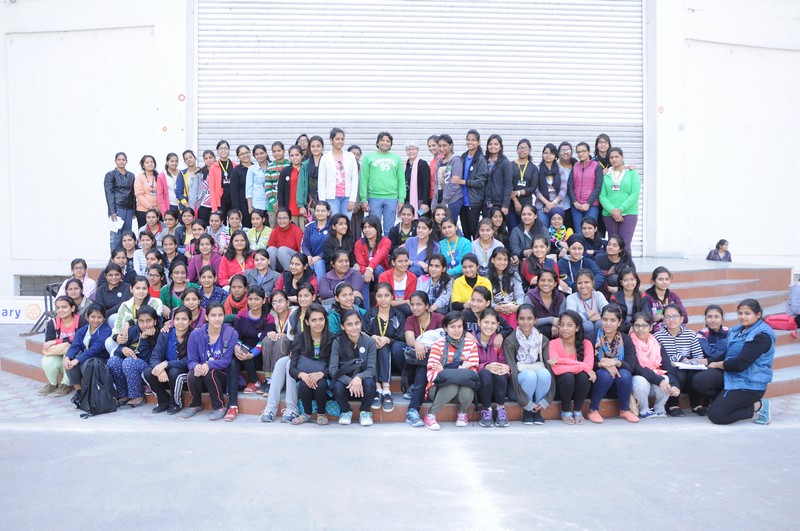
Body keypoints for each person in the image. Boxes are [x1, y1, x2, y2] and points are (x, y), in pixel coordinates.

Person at [705, 299, 774, 425]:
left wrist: (717, 364)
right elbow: (728, 354)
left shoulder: (761, 336)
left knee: (717, 416)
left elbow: (740, 364)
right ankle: (724, 402)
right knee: (701, 380)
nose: (743, 317)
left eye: (747, 313)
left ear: (758, 314)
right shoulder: (739, 330)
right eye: (740, 313)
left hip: (749, 384)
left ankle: (759, 405)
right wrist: (706, 361)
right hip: (734, 377)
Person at [224, 286, 275, 421]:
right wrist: (236, 346)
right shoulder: (241, 315)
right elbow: (237, 336)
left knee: (243, 352)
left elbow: (263, 341)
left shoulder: (269, 318)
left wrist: (250, 354)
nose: (253, 302)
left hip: (257, 356)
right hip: (242, 352)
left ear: (263, 301)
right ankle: (233, 406)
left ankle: (253, 380)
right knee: (233, 362)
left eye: (257, 299)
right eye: (250, 299)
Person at [180, 303, 236, 420]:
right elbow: (191, 361)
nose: (217, 319)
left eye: (220, 315)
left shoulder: (231, 333)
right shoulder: (196, 334)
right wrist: (196, 366)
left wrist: (208, 364)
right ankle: (195, 404)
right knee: (192, 374)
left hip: (221, 377)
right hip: (202, 377)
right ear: (206, 317)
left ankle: (220, 407)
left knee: (210, 372)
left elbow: (226, 361)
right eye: (213, 315)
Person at [424, 311, 480, 430]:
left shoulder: (471, 345)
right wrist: (461, 368)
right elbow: (431, 375)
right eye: (452, 327)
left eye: (459, 326)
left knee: (467, 390)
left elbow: (473, 373)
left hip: (462, 389)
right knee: (452, 386)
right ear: (445, 328)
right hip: (439, 389)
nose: (456, 330)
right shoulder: (438, 345)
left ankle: (463, 413)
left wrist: (444, 370)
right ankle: (431, 414)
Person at [587, 305, 641, 423]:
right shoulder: (591, 338)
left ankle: (624, 410)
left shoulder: (625, 339)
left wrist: (615, 362)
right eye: (605, 319)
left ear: (619, 322)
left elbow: (631, 366)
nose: (608, 323)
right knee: (605, 374)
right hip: (598, 383)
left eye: (612, 320)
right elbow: (587, 363)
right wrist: (604, 365)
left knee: (625, 374)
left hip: (620, 386)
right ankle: (593, 410)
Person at [503, 304, 555, 425]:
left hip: (539, 388)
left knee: (544, 373)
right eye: (522, 318)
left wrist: (547, 400)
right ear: (516, 320)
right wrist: (525, 402)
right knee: (530, 375)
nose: (526, 322)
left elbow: (550, 370)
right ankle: (527, 410)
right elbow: (512, 372)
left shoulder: (543, 340)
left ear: (535, 320)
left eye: (529, 318)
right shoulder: (510, 341)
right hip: (517, 389)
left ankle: (537, 409)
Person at [654, 303, 706, 417]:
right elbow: (657, 358)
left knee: (694, 374)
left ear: (682, 318)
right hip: (669, 369)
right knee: (677, 373)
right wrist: (677, 358)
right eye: (668, 317)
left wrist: (689, 361)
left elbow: (699, 356)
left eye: (675, 316)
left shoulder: (690, 335)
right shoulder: (658, 336)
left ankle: (696, 405)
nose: (671, 319)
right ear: (663, 319)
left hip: (687, 368)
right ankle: (673, 405)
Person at [362, 282, 406, 412]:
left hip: (392, 355)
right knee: (378, 348)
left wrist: (388, 340)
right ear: (375, 297)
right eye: (379, 296)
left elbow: (401, 338)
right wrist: (372, 338)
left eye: (386, 295)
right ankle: (380, 390)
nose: (383, 299)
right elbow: (363, 333)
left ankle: (385, 391)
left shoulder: (398, 315)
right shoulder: (370, 315)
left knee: (384, 348)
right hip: (373, 351)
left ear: (392, 296)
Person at [403, 291, 445, 427]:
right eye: (412, 305)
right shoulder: (410, 319)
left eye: (419, 304)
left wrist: (427, 347)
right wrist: (418, 344)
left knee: (424, 364)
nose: (414, 308)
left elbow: (444, 339)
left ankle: (413, 409)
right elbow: (409, 339)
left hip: (434, 358)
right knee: (402, 351)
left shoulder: (438, 318)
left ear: (427, 306)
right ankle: (413, 408)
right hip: (416, 359)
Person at [329, 310, 378, 426]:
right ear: (342, 326)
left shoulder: (370, 342)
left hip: (362, 383)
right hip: (345, 382)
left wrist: (358, 378)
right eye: (349, 324)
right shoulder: (337, 342)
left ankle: (365, 412)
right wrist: (351, 382)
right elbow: (333, 370)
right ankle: (345, 411)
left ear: (361, 323)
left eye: (357, 323)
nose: (354, 327)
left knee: (370, 383)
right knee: (337, 386)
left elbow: (371, 369)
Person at [289, 303, 334, 425]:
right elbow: (292, 368)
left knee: (320, 384)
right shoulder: (300, 339)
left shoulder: (332, 339)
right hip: (306, 376)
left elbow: (334, 366)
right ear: (307, 322)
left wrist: (321, 374)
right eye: (314, 320)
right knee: (304, 384)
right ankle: (306, 414)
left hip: (325, 377)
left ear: (325, 320)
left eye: (321, 319)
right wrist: (302, 375)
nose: (318, 323)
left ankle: (321, 413)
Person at [630, 312, 681, 419]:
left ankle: (659, 408)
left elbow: (668, 368)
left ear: (650, 327)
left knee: (666, 379)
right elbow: (637, 368)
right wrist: (659, 380)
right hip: (638, 383)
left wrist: (675, 385)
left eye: (644, 325)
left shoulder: (657, 344)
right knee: (641, 380)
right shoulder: (629, 343)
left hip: (654, 381)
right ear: (633, 327)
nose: (640, 329)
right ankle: (644, 410)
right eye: (637, 325)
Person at [107, 305, 160, 407]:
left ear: (155, 321)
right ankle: (124, 394)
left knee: (129, 362)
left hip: (149, 369)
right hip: (130, 368)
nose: (145, 325)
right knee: (113, 361)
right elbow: (118, 351)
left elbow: (148, 358)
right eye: (141, 321)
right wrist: (123, 349)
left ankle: (137, 396)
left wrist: (144, 338)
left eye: (148, 321)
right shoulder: (133, 330)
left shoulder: (158, 334)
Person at [548, 310, 594, 424]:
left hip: (580, 388)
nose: (564, 328)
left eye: (569, 325)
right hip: (562, 387)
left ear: (577, 328)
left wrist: (561, 361)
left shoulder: (586, 343)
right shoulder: (553, 343)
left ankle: (578, 410)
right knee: (568, 376)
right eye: (562, 324)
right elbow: (556, 369)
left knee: (584, 376)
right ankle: (566, 411)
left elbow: (589, 366)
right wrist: (582, 366)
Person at [144, 306, 192, 414]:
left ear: (190, 321)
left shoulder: (193, 336)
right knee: (148, 372)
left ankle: (176, 403)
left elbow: (188, 361)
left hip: (185, 371)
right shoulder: (166, 334)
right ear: (173, 321)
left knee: (174, 372)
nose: (180, 322)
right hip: (166, 372)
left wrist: (166, 364)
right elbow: (155, 356)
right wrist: (160, 369)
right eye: (177, 319)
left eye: (184, 319)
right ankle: (163, 401)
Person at [39, 296, 87, 397]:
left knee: (69, 355)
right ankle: (53, 384)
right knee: (47, 360)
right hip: (58, 352)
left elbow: (78, 339)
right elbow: (48, 342)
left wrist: (57, 341)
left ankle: (66, 384)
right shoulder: (53, 322)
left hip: (75, 353)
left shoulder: (81, 321)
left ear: (72, 308)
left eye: (64, 307)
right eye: (58, 308)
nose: (60, 310)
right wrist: (63, 342)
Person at [360, 132, 405, 235]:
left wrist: (401, 199)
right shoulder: (369, 157)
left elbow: (401, 180)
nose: (385, 143)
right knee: (374, 227)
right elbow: (364, 179)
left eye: (388, 141)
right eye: (382, 140)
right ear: (377, 142)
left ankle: (387, 245)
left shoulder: (396, 159)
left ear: (391, 144)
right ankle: (375, 245)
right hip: (374, 197)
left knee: (389, 229)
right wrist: (363, 199)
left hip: (392, 198)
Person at [599, 147, 640, 254]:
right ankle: (613, 265)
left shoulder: (632, 173)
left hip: (629, 213)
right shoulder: (606, 174)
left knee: (625, 245)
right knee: (612, 245)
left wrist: (620, 209)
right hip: (609, 215)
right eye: (611, 157)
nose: (614, 159)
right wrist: (613, 211)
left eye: (616, 157)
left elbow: (634, 193)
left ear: (622, 157)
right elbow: (602, 196)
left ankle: (627, 265)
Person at [62, 304, 111, 392]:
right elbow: (75, 345)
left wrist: (77, 360)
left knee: (88, 364)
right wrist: (67, 357)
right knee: (69, 362)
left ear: (104, 318)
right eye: (93, 317)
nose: (96, 320)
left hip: (100, 360)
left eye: (99, 317)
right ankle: (78, 391)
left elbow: (95, 349)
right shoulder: (83, 330)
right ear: (87, 318)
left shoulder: (106, 330)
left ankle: (88, 392)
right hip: (85, 357)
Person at [475, 308, 511, 427]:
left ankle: (500, 408)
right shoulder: (472, 340)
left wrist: (506, 368)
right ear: (479, 322)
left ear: (498, 325)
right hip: (480, 386)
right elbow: (470, 363)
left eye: (493, 323)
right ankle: (487, 410)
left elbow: (504, 361)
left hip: (498, 387)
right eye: (486, 322)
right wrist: (486, 366)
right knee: (485, 373)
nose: (489, 326)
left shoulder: (499, 341)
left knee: (500, 371)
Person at [317, 128, 359, 218]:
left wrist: (352, 199)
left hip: (347, 197)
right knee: (334, 222)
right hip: (332, 197)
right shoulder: (325, 158)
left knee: (346, 223)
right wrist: (322, 202)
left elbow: (355, 179)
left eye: (342, 139)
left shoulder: (350, 156)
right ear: (331, 140)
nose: (340, 141)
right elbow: (321, 181)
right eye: (337, 139)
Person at [454, 129, 488, 239]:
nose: (470, 142)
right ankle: (467, 250)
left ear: (478, 142)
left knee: (474, 230)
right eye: (468, 139)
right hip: (462, 199)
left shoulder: (481, 159)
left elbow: (481, 182)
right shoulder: (464, 156)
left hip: (474, 201)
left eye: (473, 140)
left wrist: (462, 182)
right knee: (465, 232)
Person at [105, 152, 136, 251]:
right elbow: (109, 194)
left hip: (128, 209)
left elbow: (133, 194)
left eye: (123, 160)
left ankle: (125, 257)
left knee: (127, 236)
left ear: (126, 161)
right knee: (116, 236)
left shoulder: (131, 175)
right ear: (115, 161)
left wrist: (133, 210)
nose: (121, 161)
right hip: (117, 209)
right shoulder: (110, 175)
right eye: (119, 159)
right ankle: (114, 257)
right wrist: (112, 211)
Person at [565, 268, 609, 339]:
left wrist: (585, 317)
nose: (583, 286)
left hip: (597, 324)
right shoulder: (571, 298)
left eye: (586, 282)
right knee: (587, 325)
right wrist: (588, 314)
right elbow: (571, 317)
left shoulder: (598, 295)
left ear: (593, 283)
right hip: (580, 333)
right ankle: (584, 345)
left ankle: (602, 344)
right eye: (580, 283)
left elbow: (608, 312)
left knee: (600, 323)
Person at [642, 266, 688, 331]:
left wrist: (667, 316)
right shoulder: (647, 297)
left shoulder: (673, 296)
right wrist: (653, 318)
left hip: (673, 329)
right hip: (655, 332)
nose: (664, 282)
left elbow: (685, 318)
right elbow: (643, 319)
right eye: (660, 279)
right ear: (654, 281)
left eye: (667, 279)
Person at [487, 248, 524, 327]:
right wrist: (495, 307)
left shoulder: (514, 275)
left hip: (513, 308)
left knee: (514, 316)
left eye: (505, 260)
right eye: (499, 259)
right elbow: (487, 298)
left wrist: (517, 306)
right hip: (495, 310)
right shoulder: (486, 278)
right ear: (492, 260)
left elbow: (520, 294)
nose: (502, 262)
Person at [508, 139, 538, 231]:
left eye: (525, 148)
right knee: (512, 229)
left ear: (530, 150)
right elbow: (508, 185)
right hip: (511, 203)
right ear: (517, 149)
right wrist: (515, 201)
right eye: (520, 148)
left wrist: (517, 192)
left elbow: (532, 188)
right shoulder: (510, 165)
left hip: (526, 203)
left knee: (525, 229)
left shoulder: (533, 168)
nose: (522, 150)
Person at [526, 269, 565, 339]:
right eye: (542, 280)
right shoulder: (530, 297)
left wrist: (556, 325)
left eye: (550, 281)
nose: (546, 283)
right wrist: (552, 320)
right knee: (546, 330)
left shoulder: (560, 297)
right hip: (534, 334)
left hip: (558, 332)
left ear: (555, 284)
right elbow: (528, 321)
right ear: (538, 282)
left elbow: (562, 320)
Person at [431, 134, 464, 217]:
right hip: (440, 199)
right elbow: (436, 183)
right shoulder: (439, 162)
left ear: (451, 145)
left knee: (450, 223)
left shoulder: (456, 160)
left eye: (444, 145)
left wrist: (444, 200)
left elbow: (455, 184)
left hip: (452, 200)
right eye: (439, 146)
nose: (442, 148)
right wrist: (434, 204)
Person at [377, 247, 417, 316]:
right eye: (400, 261)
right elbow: (384, 301)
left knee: (407, 309)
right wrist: (405, 301)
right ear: (393, 262)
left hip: (403, 309)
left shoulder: (412, 278)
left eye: (406, 261)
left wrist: (406, 302)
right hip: (386, 307)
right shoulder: (384, 276)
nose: (404, 264)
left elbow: (410, 301)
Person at [354, 215, 391, 285]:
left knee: (377, 268)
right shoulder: (358, 243)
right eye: (365, 227)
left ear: (377, 228)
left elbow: (378, 257)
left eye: (370, 227)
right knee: (358, 273)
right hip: (365, 273)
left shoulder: (386, 241)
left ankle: (379, 290)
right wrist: (366, 271)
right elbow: (361, 263)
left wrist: (370, 268)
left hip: (381, 274)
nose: (367, 230)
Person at [483, 134, 512, 220]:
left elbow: (508, 185)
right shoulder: (484, 161)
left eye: (496, 144)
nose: (493, 146)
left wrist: (505, 205)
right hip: (485, 202)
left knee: (498, 227)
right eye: (490, 144)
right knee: (486, 226)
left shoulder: (505, 163)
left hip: (499, 203)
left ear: (500, 147)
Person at [296, 135, 325, 222]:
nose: (315, 149)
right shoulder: (305, 165)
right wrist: (301, 205)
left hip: (326, 201)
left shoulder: (328, 162)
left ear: (322, 147)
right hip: (310, 202)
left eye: (318, 146)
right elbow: (301, 186)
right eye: (313, 146)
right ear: (309, 147)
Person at [267, 208, 304, 272]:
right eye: (279, 218)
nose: (282, 221)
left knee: (282, 250)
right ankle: (272, 274)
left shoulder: (297, 231)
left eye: (285, 218)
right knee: (270, 249)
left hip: (294, 261)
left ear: (290, 219)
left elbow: (302, 251)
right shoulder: (275, 231)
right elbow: (270, 248)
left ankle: (290, 274)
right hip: (278, 261)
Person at [534, 143, 563, 227]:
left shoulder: (560, 170)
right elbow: (535, 189)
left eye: (551, 153)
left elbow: (563, 189)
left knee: (556, 230)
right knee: (543, 229)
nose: (548, 155)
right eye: (546, 153)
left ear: (555, 155)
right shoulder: (538, 170)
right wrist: (547, 203)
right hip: (541, 205)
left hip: (557, 205)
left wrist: (553, 203)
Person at [278, 145, 306, 228]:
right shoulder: (285, 171)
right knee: (293, 232)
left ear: (302, 156)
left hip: (304, 208)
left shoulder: (306, 170)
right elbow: (281, 191)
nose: (294, 157)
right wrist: (282, 209)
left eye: (297, 155)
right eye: (292, 155)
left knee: (304, 231)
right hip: (290, 208)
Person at [302, 202, 331, 280]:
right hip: (311, 258)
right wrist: (308, 255)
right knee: (305, 264)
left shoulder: (332, 227)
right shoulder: (309, 227)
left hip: (326, 259)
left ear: (328, 212)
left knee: (319, 263)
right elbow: (304, 244)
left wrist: (319, 257)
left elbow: (332, 245)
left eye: (323, 211)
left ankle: (321, 287)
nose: (320, 213)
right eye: (317, 211)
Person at [609, 267, 644, 333]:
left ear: (636, 280)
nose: (629, 283)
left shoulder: (642, 296)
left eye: (632, 279)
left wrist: (634, 325)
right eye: (626, 280)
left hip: (638, 327)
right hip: (620, 327)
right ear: (621, 282)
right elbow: (613, 315)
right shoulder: (615, 297)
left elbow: (645, 313)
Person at [404, 141, 431, 217]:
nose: (411, 151)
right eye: (409, 149)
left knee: (420, 218)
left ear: (417, 150)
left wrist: (425, 202)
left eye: (413, 149)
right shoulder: (405, 165)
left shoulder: (422, 164)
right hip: (407, 200)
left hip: (420, 200)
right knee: (409, 219)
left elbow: (426, 184)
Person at [229, 144, 253, 226]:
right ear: (238, 157)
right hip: (243, 205)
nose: (245, 155)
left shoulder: (256, 168)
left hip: (257, 203)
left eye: (246, 152)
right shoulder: (236, 171)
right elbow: (234, 192)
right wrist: (237, 209)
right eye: (242, 154)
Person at [245, 144, 270, 223]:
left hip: (271, 203)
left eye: (261, 153)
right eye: (257, 154)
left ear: (266, 153)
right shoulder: (252, 169)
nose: (259, 156)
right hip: (257, 204)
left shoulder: (272, 166)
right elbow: (248, 188)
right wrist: (250, 207)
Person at [134, 155, 160, 228]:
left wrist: (159, 209)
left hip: (157, 211)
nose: (150, 164)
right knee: (144, 232)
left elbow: (162, 194)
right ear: (143, 165)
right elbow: (139, 195)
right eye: (147, 162)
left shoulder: (159, 176)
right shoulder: (139, 177)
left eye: (152, 162)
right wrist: (150, 208)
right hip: (143, 211)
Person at [176, 149, 201, 216]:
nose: (189, 160)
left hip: (201, 207)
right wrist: (187, 206)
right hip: (187, 207)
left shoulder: (202, 172)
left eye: (190, 157)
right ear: (184, 161)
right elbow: (178, 192)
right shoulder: (182, 174)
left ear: (195, 158)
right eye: (186, 159)